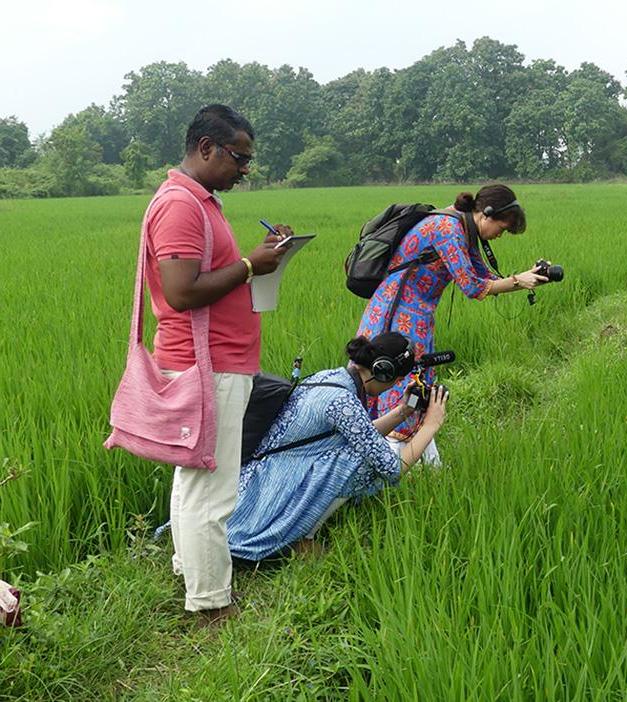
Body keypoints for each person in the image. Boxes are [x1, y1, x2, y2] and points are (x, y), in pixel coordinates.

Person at [146, 104, 290, 624]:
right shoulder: (182, 205)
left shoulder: (200, 200)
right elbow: (182, 292)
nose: (244, 169)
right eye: (238, 157)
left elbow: (212, 271)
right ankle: (211, 605)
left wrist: (263, 254)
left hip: (212, 361)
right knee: (213, 489)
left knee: (193, 480)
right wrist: (253, 264)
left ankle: (191, 573)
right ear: (206, 148)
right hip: (207, 365)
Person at [356, 184, 545, 452]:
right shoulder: (449, 229)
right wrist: (518, 281)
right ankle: (393, 458)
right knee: (401, 379)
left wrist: (529, 277)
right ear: (486, 214)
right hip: (398, 313)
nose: (500, 235)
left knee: (418, 380)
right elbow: (473, 287)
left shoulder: (463, 229)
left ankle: (412, 451)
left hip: (416, 312)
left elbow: (486, 278)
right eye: (501, 229)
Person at [225, 333, 448, 561]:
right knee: (362, 463)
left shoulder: (331, 378)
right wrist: (430, 425)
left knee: (360, 450)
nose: (394, 386)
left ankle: (301, 527)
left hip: (254, 484)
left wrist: (402, 412)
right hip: (260, 507)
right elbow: (391, 468)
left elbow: (362, 434)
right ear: (383, 371)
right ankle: (297, 536)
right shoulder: (343, 401)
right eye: (396, 381)